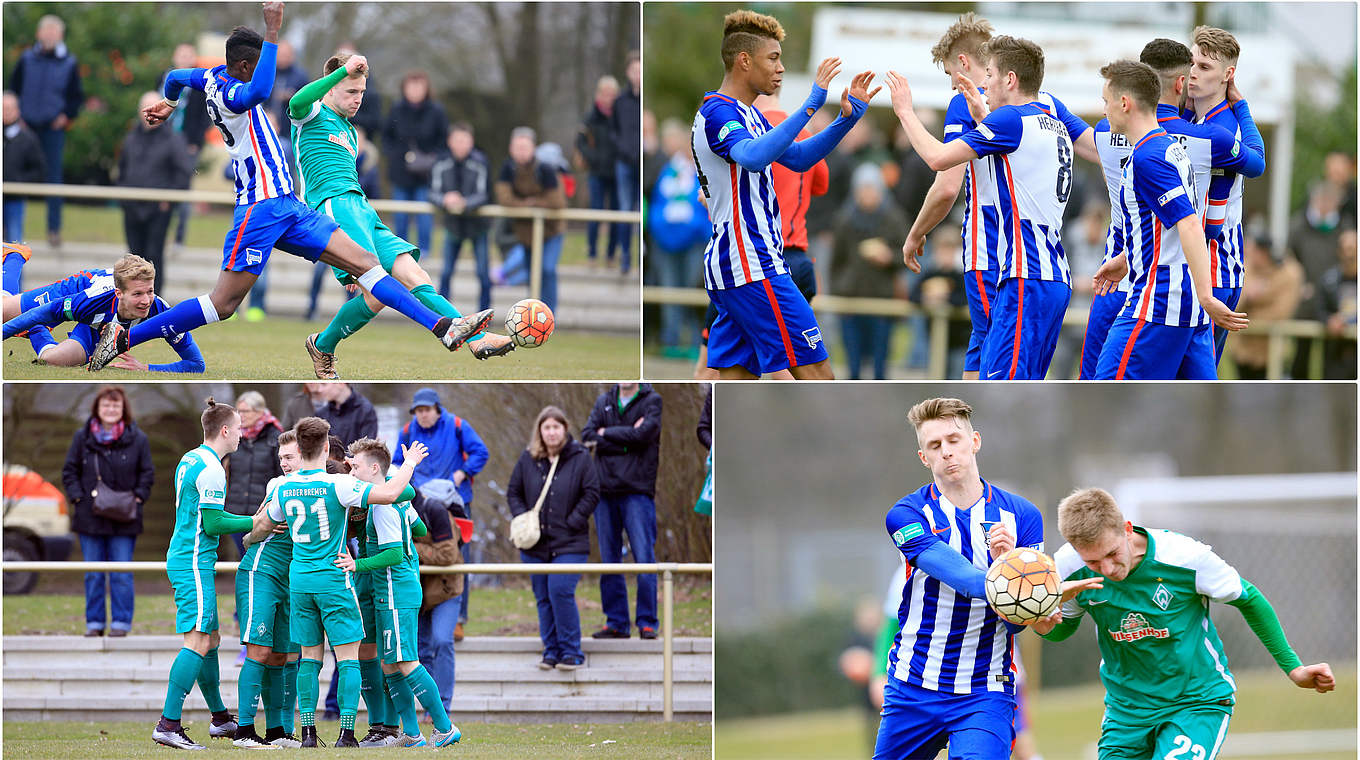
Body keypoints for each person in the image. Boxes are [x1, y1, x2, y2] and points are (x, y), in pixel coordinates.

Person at [90, 3, 485, 371]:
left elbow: (176, 77)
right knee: (223, 303)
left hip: (289, 205)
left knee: (368, 265)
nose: (268, 69)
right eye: (261, 63)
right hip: (259, 209)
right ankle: (125, 337)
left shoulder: (209, 76)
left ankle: (442, 328)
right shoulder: (231, 94)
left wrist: (169, 103)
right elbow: (261, 92)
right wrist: (274, 28)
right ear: (244, 66)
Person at [1036, 488, 1335, 758]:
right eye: (1093, 563)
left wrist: (1293, 667)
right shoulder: (1067, 568)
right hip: (1127, 709)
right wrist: (1042, 622)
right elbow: (1061, 629)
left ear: (1126, 529)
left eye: (1112, 554)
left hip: (1195, 701)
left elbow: (1249, 598)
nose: (1107, 569)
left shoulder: (1183, 557)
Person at [877, 397, 1097, 759]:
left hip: (985, 691)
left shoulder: (1022, 516)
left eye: (954, 440)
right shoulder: (906, 514)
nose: (947, 452)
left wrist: (1036, 604)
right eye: (935, 445)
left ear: (974, 441)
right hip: (913, 686)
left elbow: (1015, 624)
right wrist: (1015, 576)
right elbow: (957, 575)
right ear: (924, 457)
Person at [886, 35, 1093, 380]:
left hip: (1020, 273)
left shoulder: (1008, 120)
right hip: (1056, 274)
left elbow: (940, 163)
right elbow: (1015, 153)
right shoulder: (1053, 117)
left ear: (1009, 79)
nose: (984, 84)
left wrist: (905, 112)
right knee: (1017, 381)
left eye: (991, 76)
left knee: (999, 388)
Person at [287, 53, 505, 380]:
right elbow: (296, 100)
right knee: (375, 293)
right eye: (350, 91)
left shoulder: (351, 131)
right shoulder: (312, 113)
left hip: (362, 208)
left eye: (361, 92)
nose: (358, 99)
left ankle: (473, 339)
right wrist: (342, 72)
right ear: (330, 89)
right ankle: (455, 332)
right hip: (334, 207)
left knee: (414, 276)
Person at [693, 10, 876, 380]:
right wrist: (810, 104)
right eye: (773, 58)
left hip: (742, 265)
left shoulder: (751, 115)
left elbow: (797, 158)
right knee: (819, 374)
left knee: (733, 382)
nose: (780, 68)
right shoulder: (717, 112)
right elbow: (753, 156)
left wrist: (847, 119)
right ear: (744, 61)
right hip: (752, 265)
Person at [240, 418, 435, 748]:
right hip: (334, 580)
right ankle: (346, 734)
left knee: (309, 660)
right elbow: (390, 492)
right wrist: (411, 463)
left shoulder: (283, 487)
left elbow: (261, 526)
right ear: (327, 448)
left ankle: (308, 735)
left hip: (299, 582)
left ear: (299, 451)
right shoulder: (338, 484)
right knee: (348, 659)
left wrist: (249, 539)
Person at [1081, 38, 1265, 379]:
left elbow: (1192, 225)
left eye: (1105, 102)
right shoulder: (1184, 145)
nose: (1102, 112)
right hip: (1183, 293)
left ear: (1125, 101)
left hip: (1158, 298)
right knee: (1197, 409)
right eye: (1192, 66)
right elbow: (1200, 220)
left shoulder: (1145, 152)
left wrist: (1209, 297)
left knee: (1101, 393)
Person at [152, 398, 260, 750]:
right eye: (240, 428)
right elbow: (213, 522)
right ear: (225, 430)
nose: (243, 435)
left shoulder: (192, 457)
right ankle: (168, 724)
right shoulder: (212, 467)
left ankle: (220, 719)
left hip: (188, 557)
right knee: (197, 640)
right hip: (193, 561)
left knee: (210, 640)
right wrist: (256, 521)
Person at [341, 437, 462, 747]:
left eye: (355, 467)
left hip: (396, 592)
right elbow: (420, 530)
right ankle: (411, 733)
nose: (351, 472)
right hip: (391, 590)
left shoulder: (382, 508)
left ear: (374, 468)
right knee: (389, 663)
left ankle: (445, 727)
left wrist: (358, 564)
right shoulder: (395, 501)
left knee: (406, 661)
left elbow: (394, 554)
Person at [395, 387, 489, 649]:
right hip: (421, 503)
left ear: (437, 409)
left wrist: (463, 472)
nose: (422, 415)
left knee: (458, 559)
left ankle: (458, 617)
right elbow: (396, 462)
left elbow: (481, 452)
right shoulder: (407, 431)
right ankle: (426, 609)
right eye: (418, 411)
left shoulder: (457, 425)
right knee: (421, 557)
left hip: (455, 503)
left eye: (427, 410)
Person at [508, 406, 600, 670]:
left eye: (556, 427)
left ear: (565, 429)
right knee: (543, 596)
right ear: (540, 431)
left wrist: (574, 521)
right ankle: (551, 651)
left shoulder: (581, 457)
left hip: (571, 542)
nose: (551, 432)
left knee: (560, 590)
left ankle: (572, 652)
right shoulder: (528, 458)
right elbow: (513, 491)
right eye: (546, 427)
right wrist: (522, 517)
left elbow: (592, 492)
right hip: (534, 544)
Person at [2, 253, 205, 373]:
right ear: (119, 293)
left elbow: (196, 364)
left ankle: (36, 331)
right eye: (137, 294)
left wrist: (147, 368)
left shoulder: (162, 312)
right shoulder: (91, 300)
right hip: (79, 289)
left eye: (150, 291)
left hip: (97, 325)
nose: (145, 300)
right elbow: (41, 312)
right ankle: (14, 256)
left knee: (52, 360)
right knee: (4, 310)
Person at [1188, 26, 1259, 361]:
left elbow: (1212, 222)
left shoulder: (1223, 128)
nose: (1192, 72)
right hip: (1203, 266)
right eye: (1191, 63)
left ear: (1228, 75)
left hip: (1215, 267)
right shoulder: (1198, 120)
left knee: (1192, 378)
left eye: (1204, 67)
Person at [61, 386, 153, 638]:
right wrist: (78, 498)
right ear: (97, 409)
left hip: (125, 517)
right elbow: (69, 472)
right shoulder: (82, 437)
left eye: (115, 405)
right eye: (106, 405)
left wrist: (138, 497)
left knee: (121, 573)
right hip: (89, 516)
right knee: (93, 573)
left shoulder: (139, 438)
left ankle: (121, 623)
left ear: (123, 409)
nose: (110, 409)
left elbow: (147, 474)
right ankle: (94, 623)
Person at [230, 429, 301, 748]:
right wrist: (258, 528)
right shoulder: (278, 485)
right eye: (282, 457)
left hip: (292, 578)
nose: (285, 463)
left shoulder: (324, 485)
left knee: (282, 656)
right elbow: (255, 528)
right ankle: (244, 730)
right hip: (262, 571)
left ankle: (277, 732)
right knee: (258, 651)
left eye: (291, 457)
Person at [582, 383, 662, 640]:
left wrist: (608, 435)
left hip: (637, 491)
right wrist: (627, 439)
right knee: (609, 560)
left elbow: (644, 437)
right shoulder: (603, 400)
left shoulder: (652, 401)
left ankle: (647, 622)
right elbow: (588, 436)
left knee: (644, 559)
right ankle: (616, 622)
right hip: (604, 491)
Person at [8, 14, 83, 249]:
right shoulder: (26, 59)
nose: (50, 36)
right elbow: (13, 89)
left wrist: (65, 117)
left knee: (53, 179)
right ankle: (10, 231)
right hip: (25, 127)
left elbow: (76, 98)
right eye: (46, 31)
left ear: (60, 36)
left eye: (54, 32)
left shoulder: (69, 62)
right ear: (39, 34)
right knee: (11, 176)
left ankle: (53, 229)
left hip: (52, 129)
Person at [828, 164, 909, 380]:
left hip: (882, 299)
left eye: (871, 189)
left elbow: (907, 255)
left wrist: (888, 257)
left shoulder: (894, 218)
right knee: (852, 364)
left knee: (880, 364)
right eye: (863, 189)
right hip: (851, 301)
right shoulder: (844, 220)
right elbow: (836, 262)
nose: (867, 195)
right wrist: (839, 291)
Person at [118, 91, 196, 290]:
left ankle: (154, 301)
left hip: (158, 209)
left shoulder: (173, 139)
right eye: (145, 109)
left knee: (154, 255)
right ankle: (131, 300)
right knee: (133, 256)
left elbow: (183, 174)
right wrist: (124, 197)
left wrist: (167, 201)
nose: (149, 114)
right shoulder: (131, 137)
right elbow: (123, 170)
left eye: (153, 108)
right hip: (132, 207)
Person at [648, 118, 711, 354]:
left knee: (694, 293)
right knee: (670, 292)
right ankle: (671, 342)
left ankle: (697, 344)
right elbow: (658, 203)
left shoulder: (702, 170)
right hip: (665, 242)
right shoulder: (668, 170)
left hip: (695, 241)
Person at [494, 127, 567, 313]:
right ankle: (534, 315)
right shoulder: (507, 169)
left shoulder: (546, 169)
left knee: (548, 270)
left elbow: (556, 200)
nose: (521, 152)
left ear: (533, 148)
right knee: (532, 275)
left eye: (525, 147)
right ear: (511, 148)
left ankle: (551, 315)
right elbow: (504, 198)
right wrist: (531, 204)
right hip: (525, 233)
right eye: (517, 147)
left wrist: (528, 203)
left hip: (551, 231)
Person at [383, 70, 448, 256]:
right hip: (400, 173)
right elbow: (387, 137)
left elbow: (444, 140)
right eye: (411, 86)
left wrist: (433, 159)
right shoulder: (396, 109)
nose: (415, 90)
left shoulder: (436, 111)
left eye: (419, 86)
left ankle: (424, 252)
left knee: (424, 215)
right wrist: (395, 156)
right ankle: (401, 253)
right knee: (400, 216)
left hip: (426, 175)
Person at [432, 123, 493, 311]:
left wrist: (465, 202)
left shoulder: (481, 162)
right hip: (453, 226)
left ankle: (484, 315)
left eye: (465, 140)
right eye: (457, 140)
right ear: (450, 142)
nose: (461, 144)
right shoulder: (441, 163)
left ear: (471, 142)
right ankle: (442, 317)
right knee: (446, 272)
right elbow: (432, 192)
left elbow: (484, 194)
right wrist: (445, 199)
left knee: (483, 274)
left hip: (478, 226)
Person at [223, 391, 283, 559]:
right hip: (235, 512)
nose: (241, 416)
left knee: (262, 560)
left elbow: (282, 476)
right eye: (239, 411)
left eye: (245, 411)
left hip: (263, 513)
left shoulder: (275, 438)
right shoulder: (234, 437)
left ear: (259, 411)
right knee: (244, 559)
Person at [1233, 235, 1302, 379]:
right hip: (1243, 353)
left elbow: (1281, 313)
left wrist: (1250, 314)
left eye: (1252, 250)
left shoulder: (1290, 273)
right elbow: (1231, 308)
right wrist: (1247, 297)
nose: (1248, 254)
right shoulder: (1242, 267)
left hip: (1274, 353)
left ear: (1263, 252)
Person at [164, 43, 211, 251]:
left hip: (187, 143)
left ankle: (179, 238)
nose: (184, 59)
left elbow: (206, 116)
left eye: (188, 56)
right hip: (164, 140)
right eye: (180, 55)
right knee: (160, 189)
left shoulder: (199, 84)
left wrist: (195, 142)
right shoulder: (163, 79)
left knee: (183, 190)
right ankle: (161, 233)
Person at [577, 75, 623, 269]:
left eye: (612, 94)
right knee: (595, 212)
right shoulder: (590, 116)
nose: (608, 98)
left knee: (615, 214)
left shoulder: (620, 116)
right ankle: (592, 253)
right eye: (605, 94)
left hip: (615, 172)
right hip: (596, 172)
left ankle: (611, 254)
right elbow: (579, 142)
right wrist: (592, 157)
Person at [3, 91, 47, 244]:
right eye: (3, 109)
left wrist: (19, 182)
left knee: (14, 242)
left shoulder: (28, 139)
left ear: (17, 111)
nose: (5, 113)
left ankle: (16, 269)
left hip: (15, 198)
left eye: (9, 109)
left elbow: (39, 170)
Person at [612, 53, 642, 275]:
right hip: (623, 161)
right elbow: (614, 131)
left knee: (640, 211)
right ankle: (625, 257)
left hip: (640, 162)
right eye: (634, 70)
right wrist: (622, 149)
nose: (637, 75)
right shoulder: (620, 101)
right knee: (624, 210)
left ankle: (640, 257)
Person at [313, 382, 377, 447]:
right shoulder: (321, 414)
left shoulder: (365, 410)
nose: (320, 390)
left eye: (324, 384)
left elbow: (366, 448)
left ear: (340, 383)